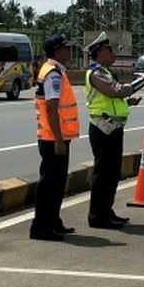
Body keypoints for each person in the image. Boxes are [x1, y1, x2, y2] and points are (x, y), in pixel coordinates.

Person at [84, 32, 144, 228]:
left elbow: (113, 98)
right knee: (103, 174)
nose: (113, 53)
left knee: (112, 173)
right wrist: (142, 82)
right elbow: (115, 91)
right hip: (102, 129)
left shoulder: (105, 72)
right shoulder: (96, 73)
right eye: (109, 50)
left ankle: (107, 211)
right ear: (99, 53)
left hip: (113, 129)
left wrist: (128, 102)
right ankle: (97, 216)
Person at [31, 33, 80, 240]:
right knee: (50, 185)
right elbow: (52, 108)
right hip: (53, 139)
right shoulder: (53, 74)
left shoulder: (54, 71)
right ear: (58, 51)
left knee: (57, 184)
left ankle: (53, 222)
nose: (69, 52)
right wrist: (59, 140)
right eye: (66, 48)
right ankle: (41, 227)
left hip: (54, 137)